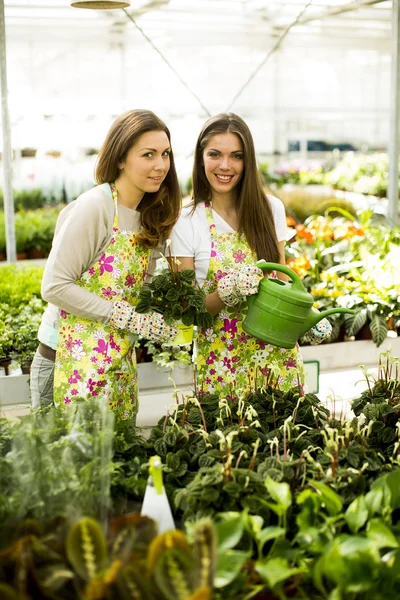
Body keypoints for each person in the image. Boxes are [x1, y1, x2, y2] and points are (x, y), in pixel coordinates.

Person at [30, 109, 181, 419]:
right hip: (66, 361)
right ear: (120, 158)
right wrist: (125, 316)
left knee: (114, 463)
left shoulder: (150, 215)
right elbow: (55, 286)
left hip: (114, 361)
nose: (160, 165)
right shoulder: (95, 207)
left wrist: (162, 314)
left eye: (165, 154)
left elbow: (142, 288)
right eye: (148, 154)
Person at [169, 113, 331, 396]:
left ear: (248, 160)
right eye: (215, 154)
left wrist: (305, 317)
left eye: (236, 156)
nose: (225, 166)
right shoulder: (186, 220)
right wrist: (227, 292)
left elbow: (282, 282)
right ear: (200, 157)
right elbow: (187, 311)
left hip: (278, 363)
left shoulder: (271, 209)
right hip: (220, 366)